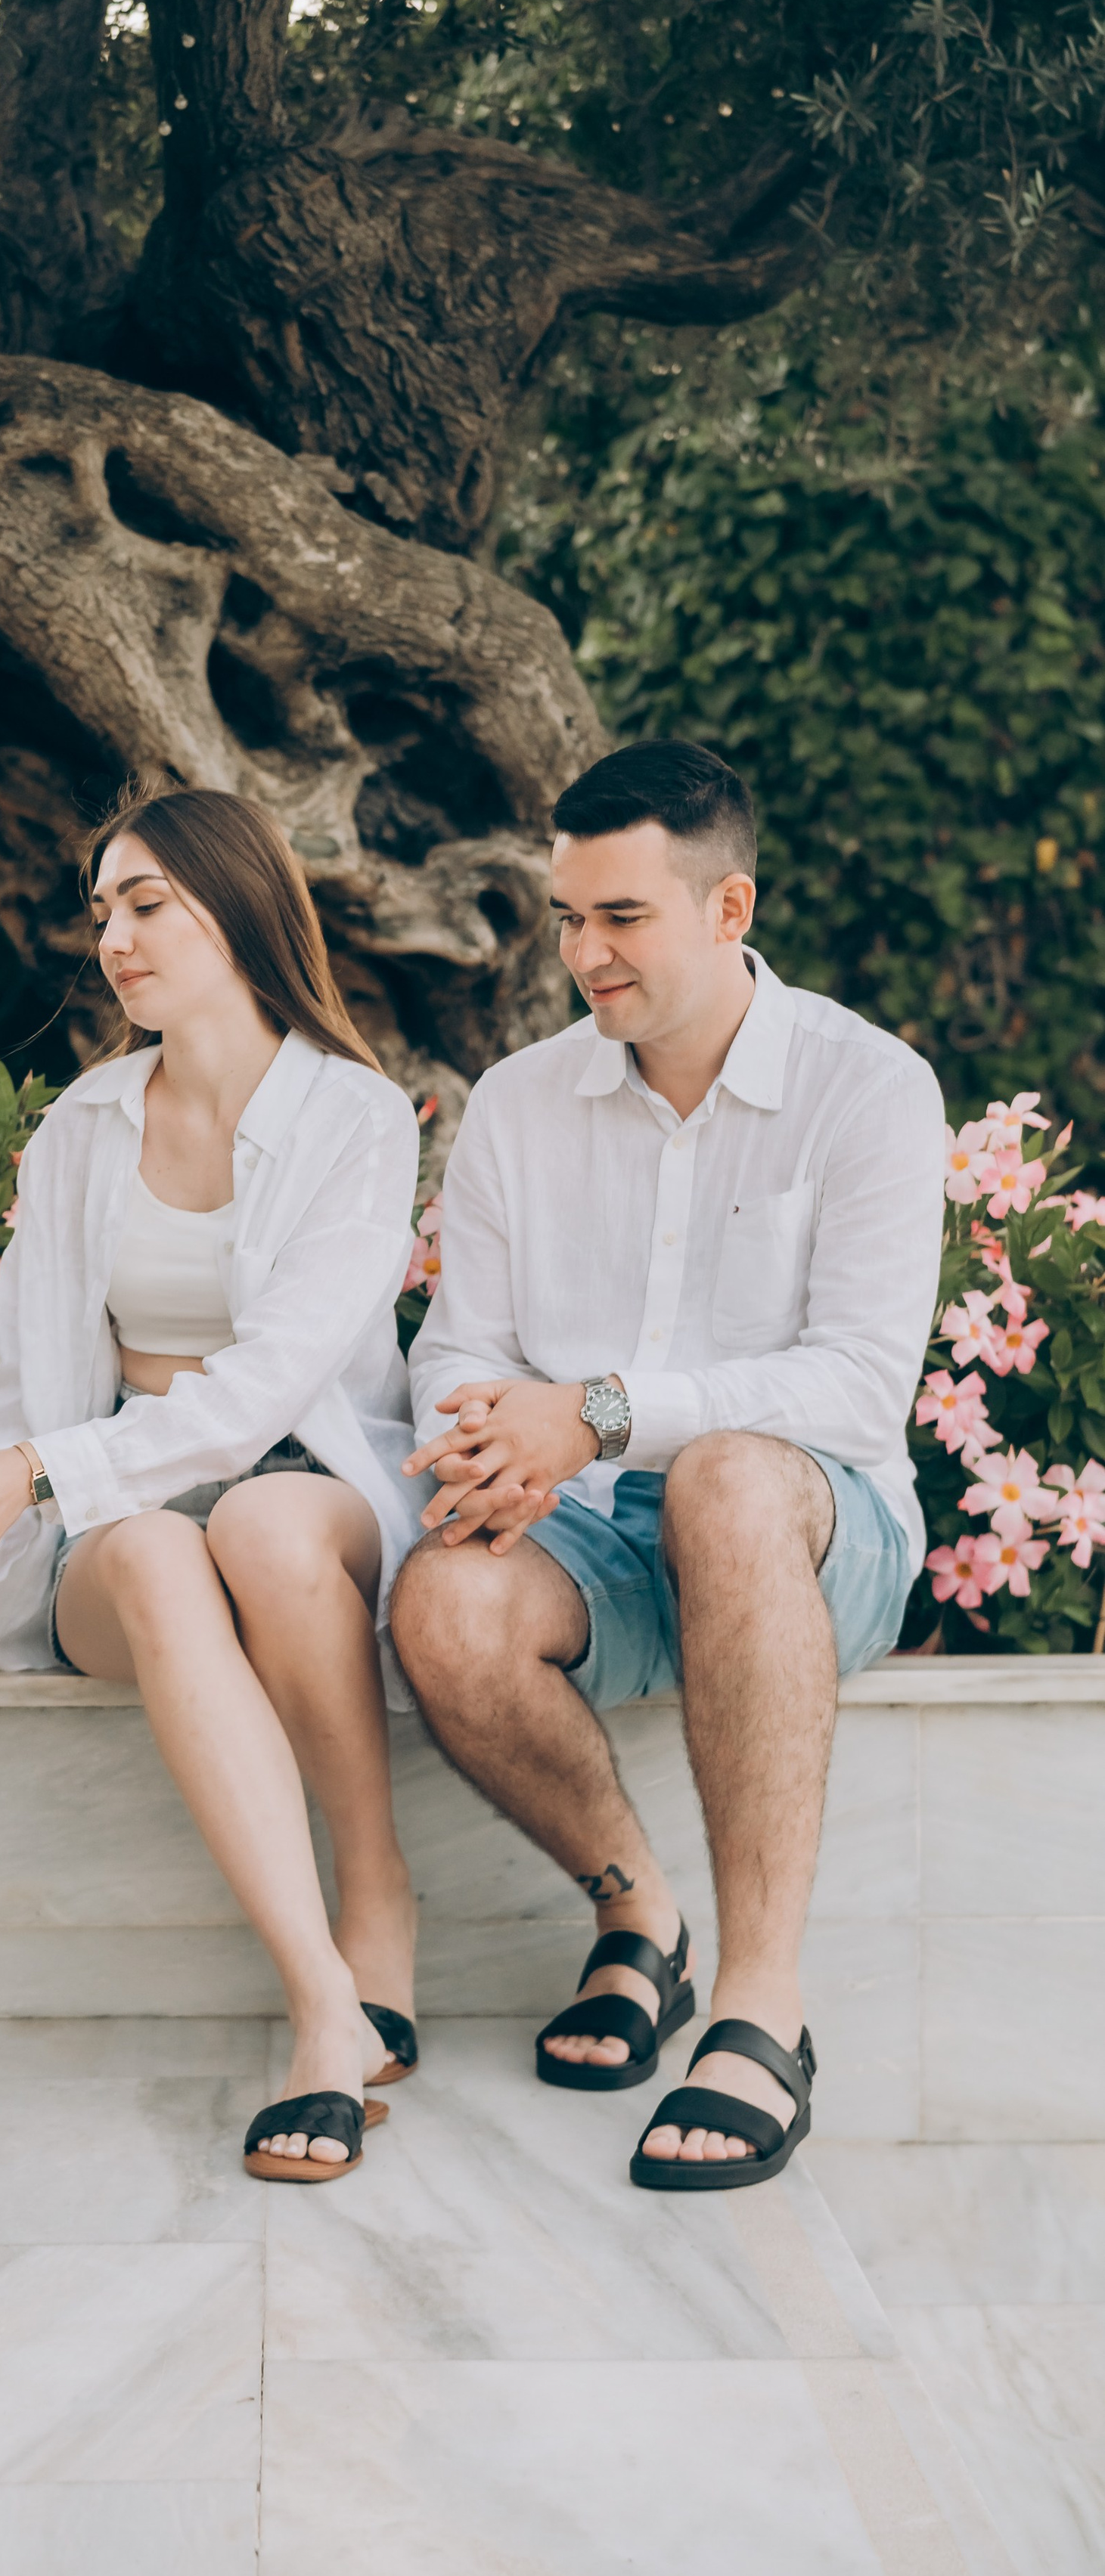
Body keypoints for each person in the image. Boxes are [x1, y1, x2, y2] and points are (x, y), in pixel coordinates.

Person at [391, 742, 943, 2192]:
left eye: (620, 917)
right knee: (441, 1602)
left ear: (727, 906)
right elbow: (457, 1346)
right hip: (588, 1529)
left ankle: (763, 2007)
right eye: (568, 917)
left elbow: (858, 1380)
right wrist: (490, 1437)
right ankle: (641, 1923)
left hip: (818, 1528)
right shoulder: (518, 1101)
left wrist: (605, 1410)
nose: (583, 953)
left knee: (727, 1478)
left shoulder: (869, 1088)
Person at [0, 789, 424, 2182]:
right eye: (103, 908)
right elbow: (31, 1379)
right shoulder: (82, 1129)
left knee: (265, 1520)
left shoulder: (358, 1119)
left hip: (302, 1483)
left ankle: (379, 1895)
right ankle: (323, 2006)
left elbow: (271, 1391)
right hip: (116, 1511)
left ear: (238, 905)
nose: (112, 934)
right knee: (168, 1552)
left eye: (147, 901)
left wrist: (39, 1472)